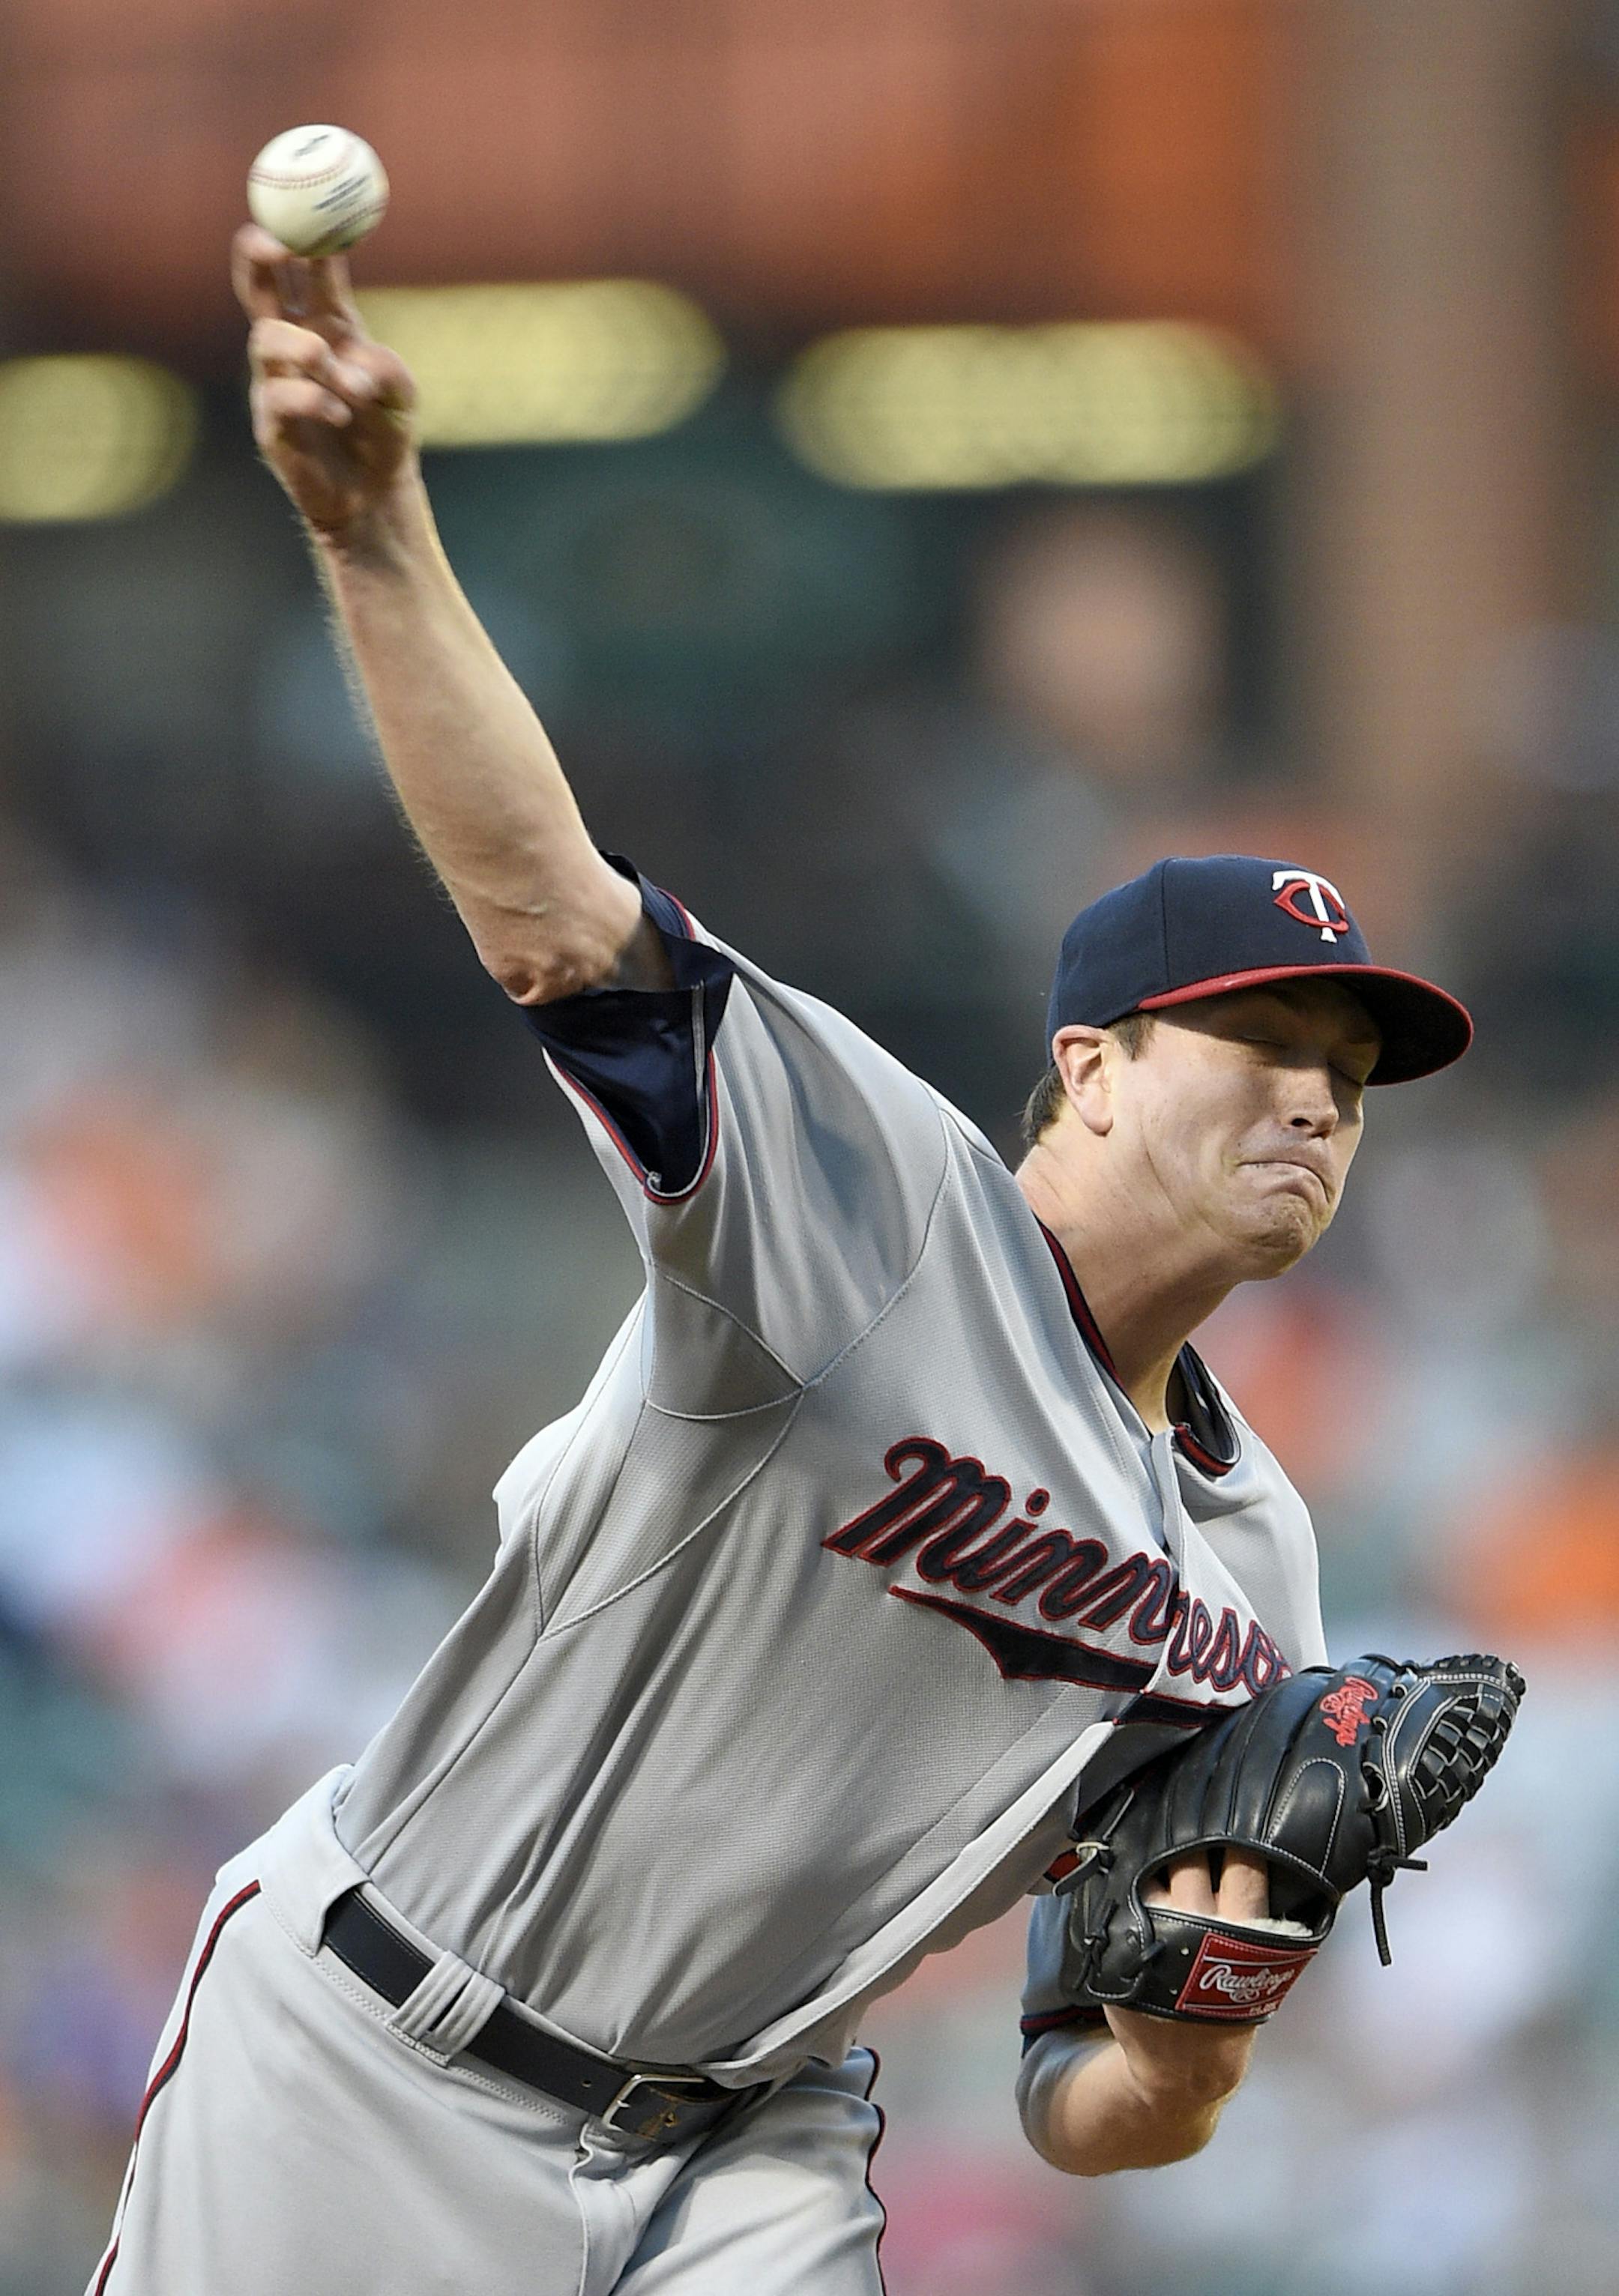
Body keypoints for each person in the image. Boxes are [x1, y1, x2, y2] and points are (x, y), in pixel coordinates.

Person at [87, 228, 1474, 2296]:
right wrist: (372, 530)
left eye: (1352, 1074)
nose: (1316, 1103)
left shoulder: (1248, 1568)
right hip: (380, 2045)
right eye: (1264, 1044)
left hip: (758, 2135)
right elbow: (555, 916)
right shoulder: (873, 1201)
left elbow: (1088, 2108)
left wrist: (1205, 2021)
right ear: (1086, 1072)